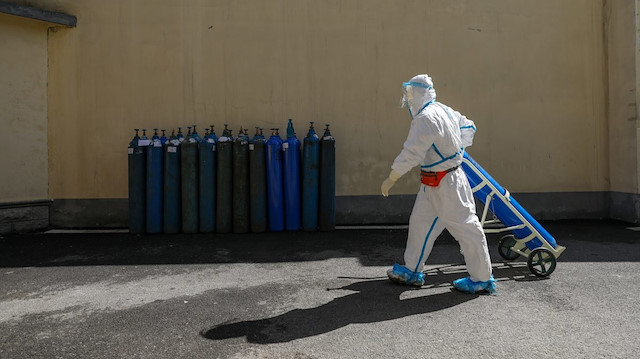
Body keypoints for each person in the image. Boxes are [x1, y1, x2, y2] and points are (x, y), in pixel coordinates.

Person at [381, 74, 496, 294]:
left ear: (420, 93)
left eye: (410, 93)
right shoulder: (444, 109)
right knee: (420, 225)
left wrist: (392, 178)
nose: (408, 98)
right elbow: (469, 126)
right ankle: (412, 270)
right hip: (433, 182)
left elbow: (412, 153)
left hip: (448, 184)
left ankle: (482, 278)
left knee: (467, 228)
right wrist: (455, 150)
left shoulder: (425, 118)